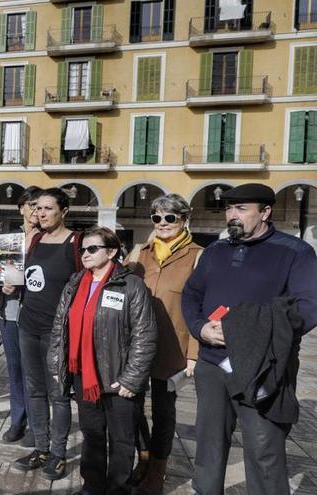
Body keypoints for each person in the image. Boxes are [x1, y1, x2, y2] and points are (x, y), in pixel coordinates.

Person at [182, 183, 317, 495]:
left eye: (241, 209)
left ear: (265, 212)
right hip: (213, 364)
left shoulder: (296, 252)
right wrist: (200, 328)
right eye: (229, 208)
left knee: (264, 450)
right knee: (208, 447)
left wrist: (248, 332)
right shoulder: (215, 250)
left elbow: (308, 308)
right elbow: (192, 294)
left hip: (264, 366)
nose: (232, 215)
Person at [49, 226, 157, 495]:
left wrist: (132, 379)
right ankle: (92, 486)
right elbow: (60, 327)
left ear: (111, 252)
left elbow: (145, 335)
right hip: (84, 375)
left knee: (121, 439)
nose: (85, 253)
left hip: (119, 377)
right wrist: (57, 366)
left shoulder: (131, 285)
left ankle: (118, 488)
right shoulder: (75, 282)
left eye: (92, 248)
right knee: (92, 435)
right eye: (83, 249)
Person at [123, 194, 203, 494]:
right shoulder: (140, 252)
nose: (163, 223)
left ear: (184, 219)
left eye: (170, 217)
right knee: (130, 407)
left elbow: (202, 307)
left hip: (173, 347)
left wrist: (193, 352)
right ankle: (142, 458)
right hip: (135, 345)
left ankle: (157, 470)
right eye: (157, 217)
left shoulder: (198, 255)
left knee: (164, 412)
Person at [17, 187, 82, 480]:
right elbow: (25, 278)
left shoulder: (76, 243)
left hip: (58, 331)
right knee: (34, 390)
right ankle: (40, 448)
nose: (40, 213)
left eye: (47, 208)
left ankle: (58, 453)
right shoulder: (35, 240)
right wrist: (10, 285)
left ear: (63, 211)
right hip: (28, 325)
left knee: (58, 394)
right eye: (37, 208)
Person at [0, 186, 42, 444]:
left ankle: (37, 425)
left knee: (34, 372)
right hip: (9, 311)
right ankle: (17, 420)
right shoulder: (8, 239)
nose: (36, 210)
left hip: (36, 314)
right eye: (31, 204)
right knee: (14, 369)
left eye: (40, 205)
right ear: (21, 208)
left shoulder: (48, 239)